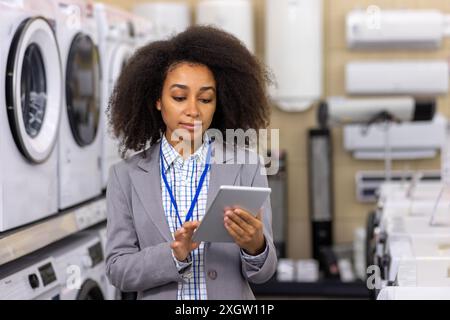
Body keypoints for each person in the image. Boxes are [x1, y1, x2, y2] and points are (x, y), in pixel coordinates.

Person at [105, 25, 277, 300]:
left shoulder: (247, 165)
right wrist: (174, 254)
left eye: (206, 99)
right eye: (179, 97)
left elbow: (265, 272)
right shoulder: (125, 176)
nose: (193, 110)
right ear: (158, 100)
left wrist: (255, 246)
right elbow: (117, 270)